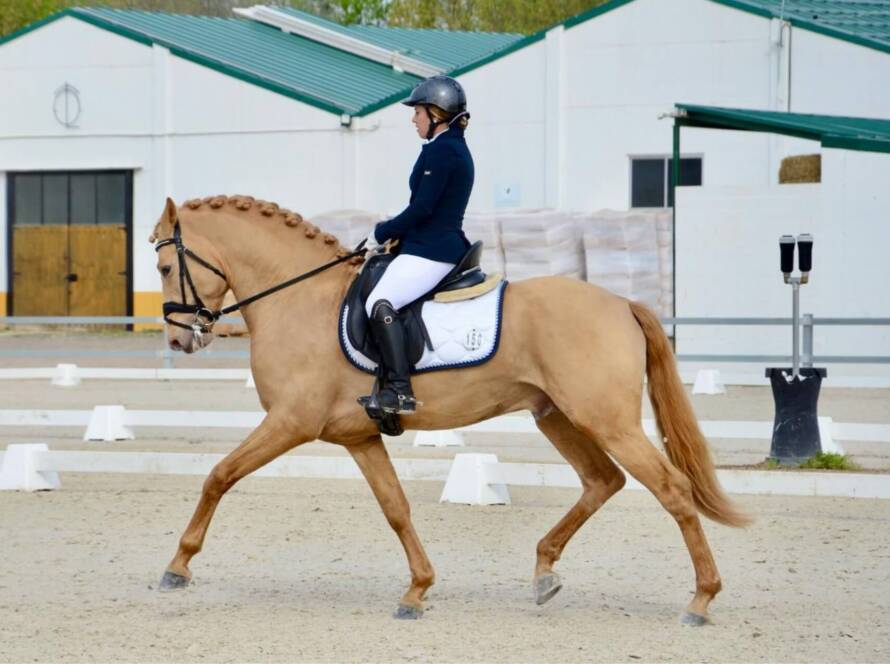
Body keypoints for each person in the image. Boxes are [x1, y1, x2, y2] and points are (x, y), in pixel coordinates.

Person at [361, 75, 475, 415]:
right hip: (428, 243)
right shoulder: (448, 148)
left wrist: (381, 232)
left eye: (418, 113)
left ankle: (398, 390)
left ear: (437, 113)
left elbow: (422, 208)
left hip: (434, 249)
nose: (414, 119)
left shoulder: (444, 151)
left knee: (379, 302)